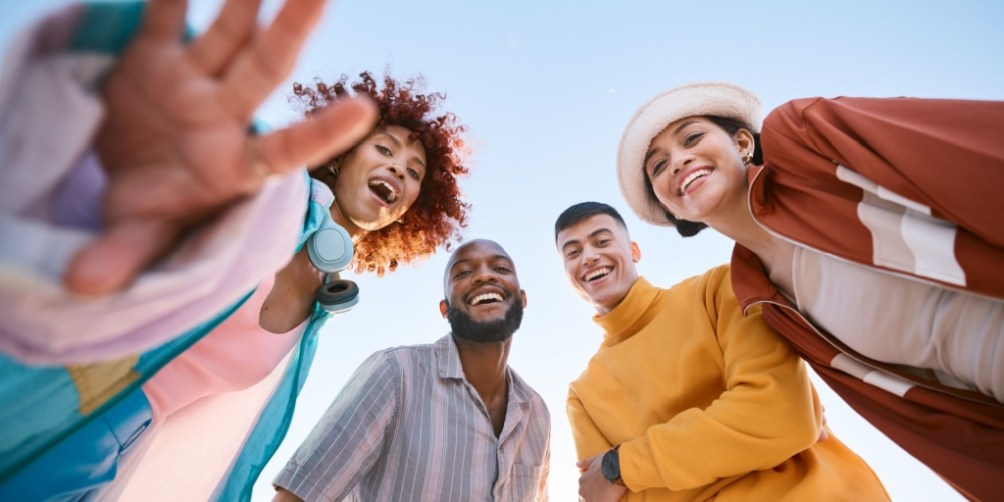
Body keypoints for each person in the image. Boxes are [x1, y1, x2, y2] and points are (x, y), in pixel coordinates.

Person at [0, 0, 470, 500]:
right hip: (52, 391)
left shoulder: (321, 309)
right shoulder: (271, 196)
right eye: (384, 149)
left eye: (414, 172)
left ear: (408, 213)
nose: (399, 169)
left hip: (109, 458)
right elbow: (213, 166)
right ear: (341, 155)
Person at [615, 82, 1004, 500]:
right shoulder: (762, 301)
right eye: (658, 166)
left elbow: (960, 144)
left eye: (692, 138)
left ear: (743, 142)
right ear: (669, 208)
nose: (678, 161)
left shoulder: (802, 138)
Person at [554, 201, 887, 501]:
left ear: (634, 250)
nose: (589, 256)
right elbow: (605, 495)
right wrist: (744, 437)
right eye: (573, 252)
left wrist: (623, 463)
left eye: (601, 241)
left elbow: (780, 415)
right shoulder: (582, 396)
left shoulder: (717, 290)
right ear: (568, 277)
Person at [272, 239, 551, 502]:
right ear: (445, 309)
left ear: (523, 298)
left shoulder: (537, 413)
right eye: (463, 272)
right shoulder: (396, 375)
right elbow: (298, 496)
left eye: (501, 268)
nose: (484, 276)